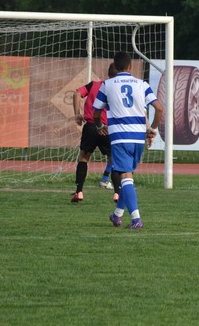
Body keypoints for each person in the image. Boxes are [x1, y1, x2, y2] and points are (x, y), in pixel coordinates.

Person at [92, 52, 164, 229]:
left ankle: (136, 219)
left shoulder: (107, 85)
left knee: (125, 176)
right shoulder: (142, 84)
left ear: (114, 66)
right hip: (138, 137)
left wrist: (99, 126)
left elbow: (96, 112)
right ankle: (117, 215)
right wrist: (153, 129)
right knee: (128, 176)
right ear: (130, 66)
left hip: (120, 136)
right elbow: (159, 109)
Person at [70, 63, 116, 203]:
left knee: (84, 157)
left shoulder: (95, 85)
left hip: (91, 126)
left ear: (108, 73)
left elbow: (77, 93)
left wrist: (77, 114)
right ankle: (117, 193)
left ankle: (79, 191)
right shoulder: (118, 89)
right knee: (114, 160)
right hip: (108, 128)